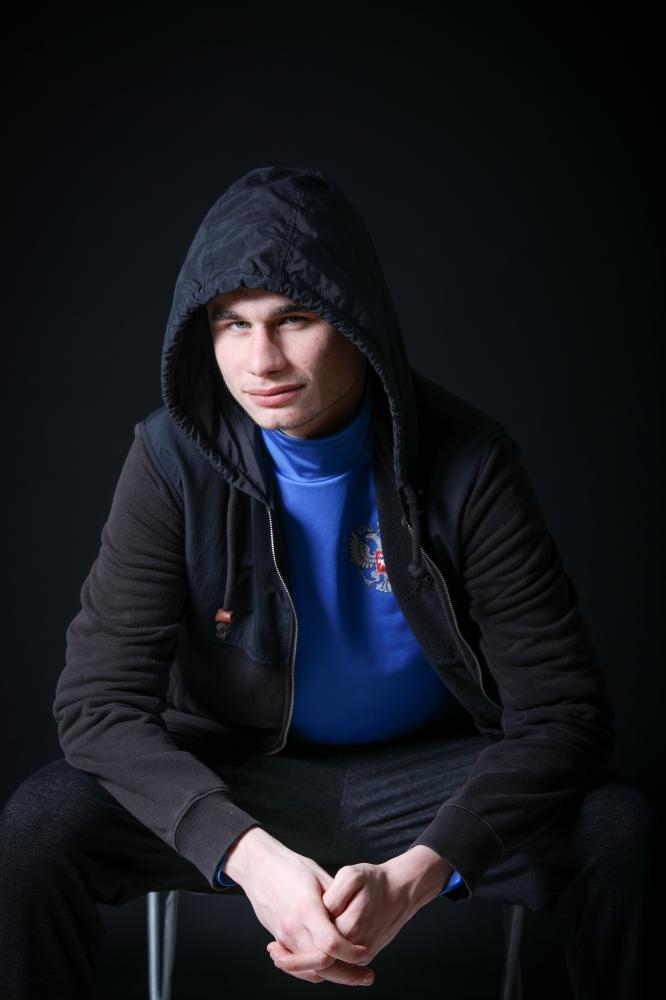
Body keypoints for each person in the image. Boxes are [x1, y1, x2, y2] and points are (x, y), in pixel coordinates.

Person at [0, 165, 652, 999]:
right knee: (37, 829)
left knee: (622, 832)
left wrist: (421, 872)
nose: (260, 360)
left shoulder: (470, 461)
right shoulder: (170, 460)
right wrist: (249, 856)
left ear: (355, 322)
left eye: (294, 319)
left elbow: (565, 714)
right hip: (240, 775)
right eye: (232, 324)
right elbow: (98, 707)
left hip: (433, 778)